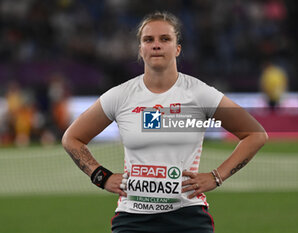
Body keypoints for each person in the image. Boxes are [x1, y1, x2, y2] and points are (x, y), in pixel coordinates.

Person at [62, 11, 268, 233]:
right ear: (140, 49)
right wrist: (101, 177)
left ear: (177, 48)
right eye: (148, 40)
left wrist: (216, 177)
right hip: (133, 218)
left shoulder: (199, 94)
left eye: (165, 39)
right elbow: (71, 138)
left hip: (188, 217)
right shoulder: (120, 96)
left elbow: (255, 134)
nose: (156, 45)